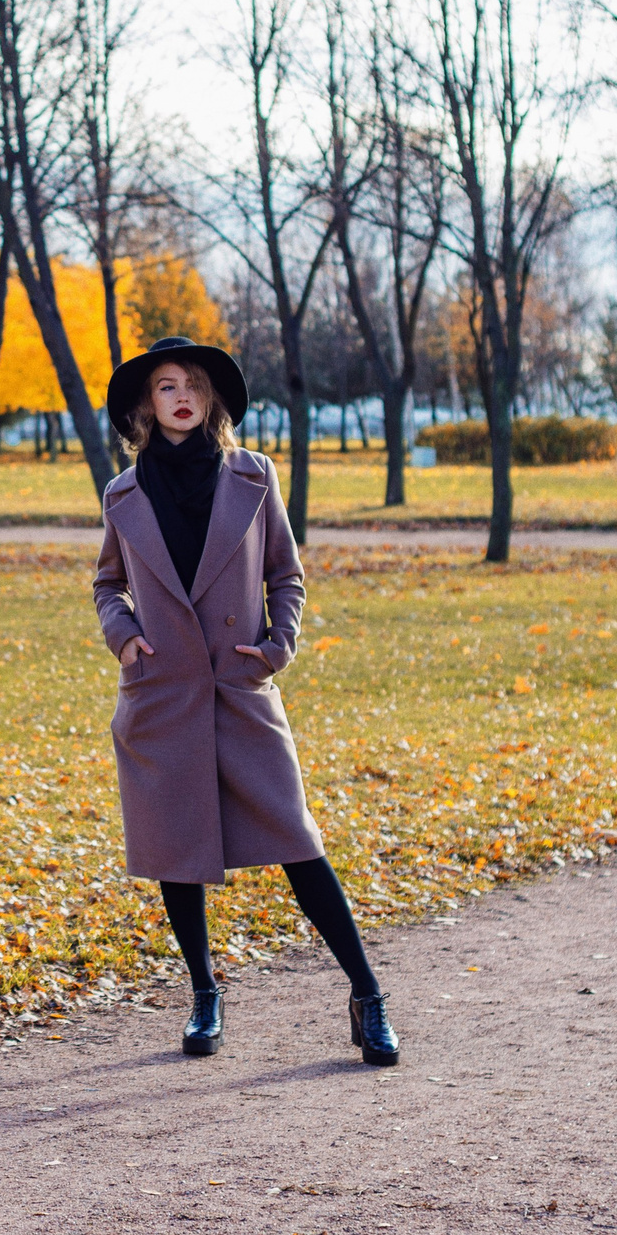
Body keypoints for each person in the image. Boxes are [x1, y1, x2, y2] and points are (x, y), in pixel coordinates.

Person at [91, 335, 399, 1067]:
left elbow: (286, 577)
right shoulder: (124, 494)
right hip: (163, 693)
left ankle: (368, 995)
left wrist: (278, 644)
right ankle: (204, 991)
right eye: (166, 386)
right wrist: (125, 638)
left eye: (192, 382)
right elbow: (109, 585)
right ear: (145, 406)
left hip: (240, 684)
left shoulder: (254, 476)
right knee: (178, 849)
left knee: (299, 843)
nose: (181, 395)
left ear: (213, 398)